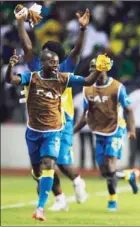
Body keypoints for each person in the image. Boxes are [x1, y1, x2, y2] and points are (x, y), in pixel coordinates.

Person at [5, 50, 104, 221]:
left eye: (58, 62)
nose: (56, 65)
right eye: (52, 62)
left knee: (49, 164)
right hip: (33, 132)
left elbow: (87, 81)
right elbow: (11, 80)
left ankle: (40, 208)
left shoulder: (63, 78)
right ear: (43, 63)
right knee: (37, 171)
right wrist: (10, 67)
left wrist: (98, 69)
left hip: (53, 131)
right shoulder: (32, 77)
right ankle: (45, 188)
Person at [16, 8, 91, 210]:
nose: (43, 56)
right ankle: (59, 198)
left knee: (62, 161)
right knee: (41, 168)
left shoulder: (64, 69)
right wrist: (21, 22)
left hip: (61, 119)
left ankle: (77, 183)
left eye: (48, 54)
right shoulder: (34, 69)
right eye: (43, 54)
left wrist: (83, 30)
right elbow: (26, 46)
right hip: (37, 122)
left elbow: (76, 52)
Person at [74, 57, 140, 211]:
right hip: (99, 131)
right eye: (90, 67)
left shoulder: (117, 87)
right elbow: (86, 114)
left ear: (104, 68)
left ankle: (112, 201)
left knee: (110, 167)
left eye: (94, 67)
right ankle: (129, 176)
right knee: (104, 171)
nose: (91, 70)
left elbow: (129, 110)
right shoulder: (87, 89)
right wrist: (72, 131)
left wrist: (131, 130)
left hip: (116, 130)